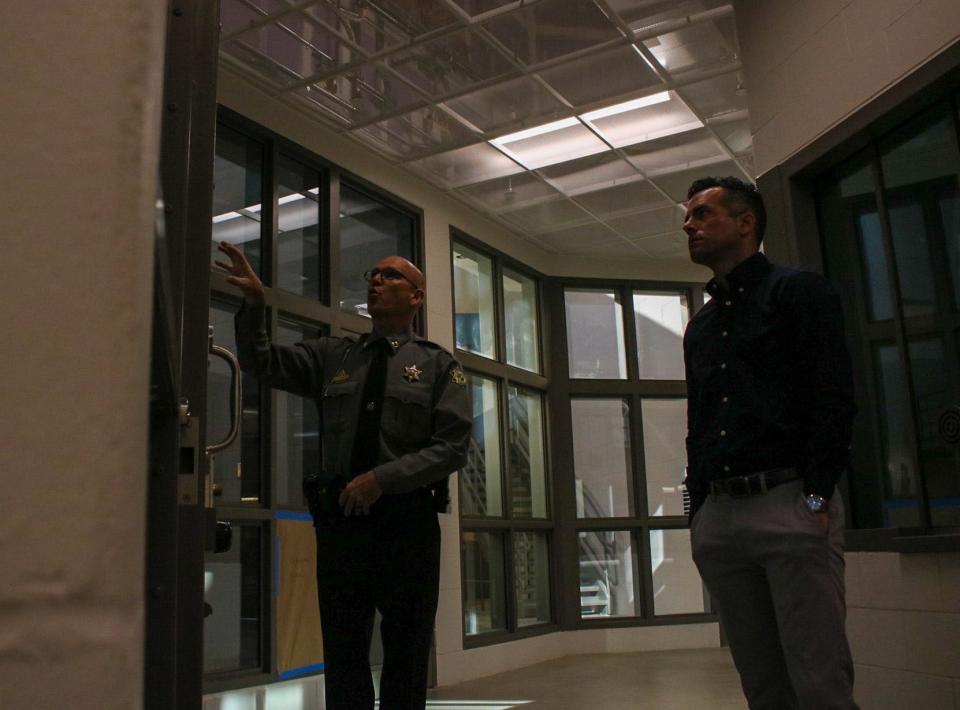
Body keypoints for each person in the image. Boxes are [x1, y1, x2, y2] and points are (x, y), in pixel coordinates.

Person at [217, 241, 471, 710]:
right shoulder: (334, 356)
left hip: (406, 523)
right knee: (344, 645)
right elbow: (263, 363)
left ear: (416, 296)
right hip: (343, 523)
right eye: (372, 275)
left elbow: (452, 448)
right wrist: (255, 303)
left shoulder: (439, 366)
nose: (375, 281)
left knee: (407, 647)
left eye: (390, 276)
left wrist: (382, 479)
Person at [682, 177, 859, 709]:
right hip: (722, 519)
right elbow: (700, 422)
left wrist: (816, 497)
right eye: (687, 218)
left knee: (820, 683)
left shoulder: (799, 293)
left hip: (791, 504)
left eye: (702, 214)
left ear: (745, 223)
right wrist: (700, 513)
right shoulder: (703, 326)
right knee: (763, 687)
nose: (689, 225)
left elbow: (833, 397)